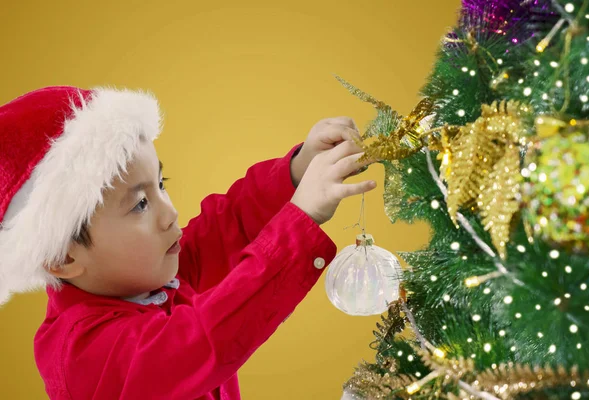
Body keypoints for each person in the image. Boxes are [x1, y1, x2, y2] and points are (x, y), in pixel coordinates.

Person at [0, 85, 377, 399]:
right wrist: (301, 217)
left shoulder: (149, 278)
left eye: (161, 186)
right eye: (140, 204)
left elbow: (227, 227)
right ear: (62, 256)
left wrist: (299, 170)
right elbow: (204, 339)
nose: (170, 214)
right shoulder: (84, 353)